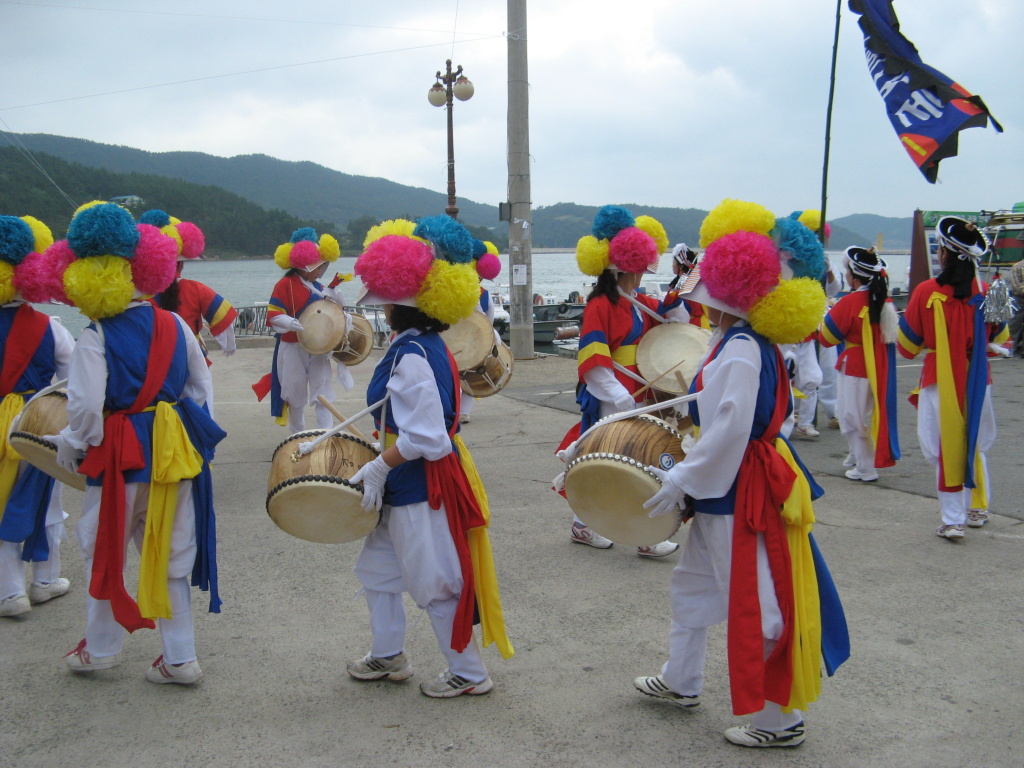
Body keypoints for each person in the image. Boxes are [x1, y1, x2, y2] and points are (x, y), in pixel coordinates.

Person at [636, 199, 848, 748]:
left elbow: (731, 430)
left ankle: (781, 721)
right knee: (694, 583)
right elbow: (724, 415)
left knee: (758, 599)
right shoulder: (746, 343)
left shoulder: (741, 349)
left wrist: (683, 478)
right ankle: (682, 680)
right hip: (732, 479)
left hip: (738, 484)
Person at [48, 202, 225, 684]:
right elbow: (200, 391)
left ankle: (102, 649)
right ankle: (181, 658)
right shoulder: (177, 324)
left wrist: (71, 441)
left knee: (105, 548)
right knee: (173, 553)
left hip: (119, 458)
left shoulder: (95, 336)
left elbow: (85, 411)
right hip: (172, 454)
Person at [346, 215, 512, 698]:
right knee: (377, 571)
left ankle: (469, 673)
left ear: (399, 308)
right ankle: (387, 653)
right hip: (407, 482)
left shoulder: (413, 355)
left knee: (435, 582)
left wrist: (379, 464)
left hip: (421, 487)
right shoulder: (424, 343)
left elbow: (429, 438)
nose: (380, 314)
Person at [560, 206, 687, 557]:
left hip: (640, 391)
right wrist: (619, 397)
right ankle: (583, 524)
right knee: (604, 461)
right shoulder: (601, 305)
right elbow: (594, 361)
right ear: (624, 267)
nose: (643, 273)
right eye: (640, 267)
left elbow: (676, 321)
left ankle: (643, 531)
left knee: (640, 460)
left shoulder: (640, 302)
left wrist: (682, 289)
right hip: (613, 394)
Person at [898, 216, 1010, 538]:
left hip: (939, 377)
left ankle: (952, 519)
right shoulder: (991, 290)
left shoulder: (924, 291)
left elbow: (907, 347)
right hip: (978, 377)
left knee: (941, 446)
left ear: (944, 252)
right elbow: (1001, 340)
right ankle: (977, 508)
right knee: (976, 442)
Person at [0, 215, 75, 617]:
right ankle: (45, 579)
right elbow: (73, 384)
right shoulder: (51, 327)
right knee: (47, 499)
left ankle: (9, 591)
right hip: (35, 423)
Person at [253, 228, 352, 432]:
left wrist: (335, 296)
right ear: (305, 266)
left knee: (322, 391)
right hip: (292, 346)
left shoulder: (318, 285)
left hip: (318, 347)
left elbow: (332, 310)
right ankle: (297, 435)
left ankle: (324, 434)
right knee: (294, 392)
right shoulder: (285, 284)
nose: (321, 270)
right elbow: (273, 315)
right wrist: (290, 323)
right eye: (318, 266)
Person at [142, 210, 238, 416]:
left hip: (150, 360)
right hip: (191, 356)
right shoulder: (195, 288)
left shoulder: (139, 296)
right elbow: (223, 317)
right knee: (200, 411)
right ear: (181, 263)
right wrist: (228, 345)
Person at [819, 246, 900, 482]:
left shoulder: (851, 302)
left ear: (853, 275)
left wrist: (825, 317)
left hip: (855, 366)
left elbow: (827, 338)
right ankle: (857, 456)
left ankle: (865, 466)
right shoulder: (885, 302)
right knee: (862, 415)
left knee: (850, 417)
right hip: (878, 365)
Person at [459, 240, 502, 425]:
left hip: (458, 340)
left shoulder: (456, 290)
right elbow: (488, 322)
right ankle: (464, 412)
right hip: (475, 341)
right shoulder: (485, 295)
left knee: (460, 375)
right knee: (470, 376)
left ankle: (458, 411)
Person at [668, 243, 709, 330]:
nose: (672, 265)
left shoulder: (684, 281)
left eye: (674, 262)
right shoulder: (692, 279)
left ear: (681, 266)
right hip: (697, 323)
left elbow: (671, 301)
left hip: (693, 325)